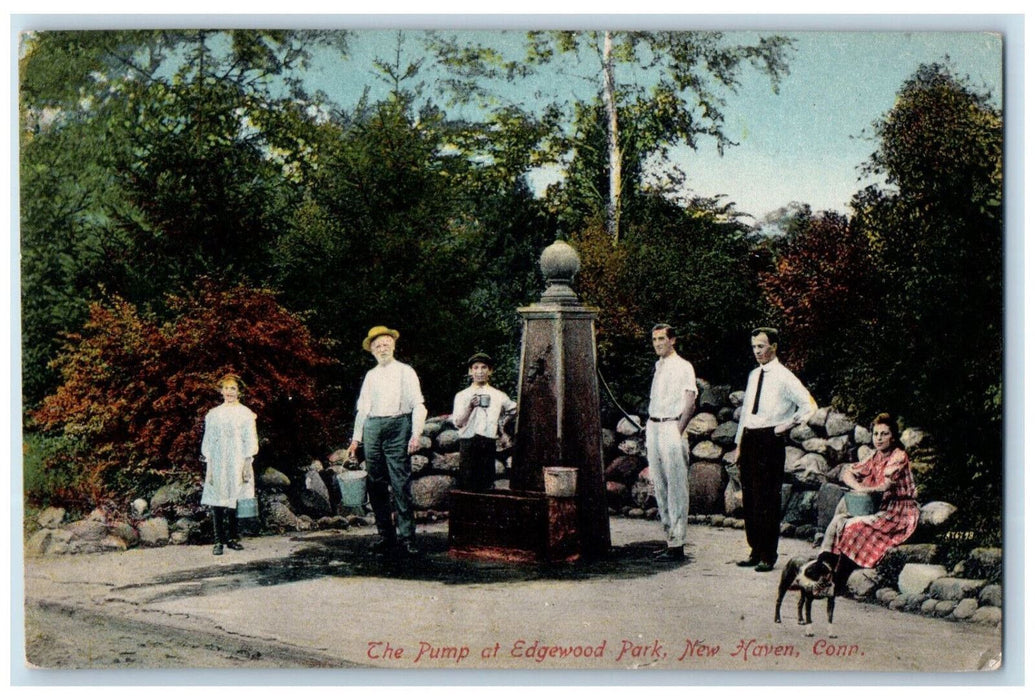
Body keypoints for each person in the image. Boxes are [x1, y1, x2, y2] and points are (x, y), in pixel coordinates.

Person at [729, 327, 816, 572]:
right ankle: (755, 549)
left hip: (770, 439)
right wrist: (739, 445)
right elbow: (746, 412)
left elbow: (808, 405)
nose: (757, 351)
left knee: (767, 498)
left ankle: (769, 553)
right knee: (750, 498)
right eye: (754, 346)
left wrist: (786, 425)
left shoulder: (784, 376)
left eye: (762, 346)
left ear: (774, 346)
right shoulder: (754, 375)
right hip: (750, 438)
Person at [346, 326, 428, 556]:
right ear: (372, 350)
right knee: (375, 483)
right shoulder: (371, 376)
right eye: (377, 346)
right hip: (373, 428)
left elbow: (419, 405)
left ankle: (407, 538)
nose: (382, 349)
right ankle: (386, 535)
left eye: (386, 344)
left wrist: (416, 434)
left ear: (393, 345)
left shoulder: (405, 371)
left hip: (397, 425)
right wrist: (355, 440)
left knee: (400, 482)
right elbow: (362, 410)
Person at [830, 412, 919, 591]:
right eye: (876, 434)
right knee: (839, 522)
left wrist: (864, 489)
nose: (879, 438)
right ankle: (827, 570)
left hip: (900, 512)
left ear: (893, 437)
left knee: (855, 527)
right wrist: (858, 487)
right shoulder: (875, 456)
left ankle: (838, 582)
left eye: (884, 434)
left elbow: (885, 486)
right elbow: (847, 472)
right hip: (884, 507)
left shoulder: (898, 456)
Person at [645, 324, 698, 561]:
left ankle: (678, 543)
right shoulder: (659, 366)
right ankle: (669, 539)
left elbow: (690, 403)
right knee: (660, 485)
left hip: (671, 427)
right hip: (654, 426)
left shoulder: (683, 366)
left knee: (676, 486)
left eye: (662, 339)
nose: (658, 344)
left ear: (672, 340)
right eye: (654, 340)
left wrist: (678, 431)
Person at [200, 373, 259, 556]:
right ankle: (218, 541)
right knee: (218, 498)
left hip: (237, 459)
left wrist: (247, 463)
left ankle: (232, 538)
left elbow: (250, 439)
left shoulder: (245, 414)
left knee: (235, 496)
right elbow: (208, 440)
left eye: (233, 388)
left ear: (239, 391)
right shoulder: (214, 414)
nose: (229, 392)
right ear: (221, 391)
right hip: (218, 460)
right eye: (226, 388)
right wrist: (209, 465)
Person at [450, 352, 517, 492]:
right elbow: (458, 423)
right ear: (470, 371)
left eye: (484, 367)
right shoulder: (462, 395)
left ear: (490, 371)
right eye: (475, 368)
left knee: (487, 485)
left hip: (488, 443)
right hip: (468, 443)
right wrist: (470, 407)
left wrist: (501, 426)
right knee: (467, 485)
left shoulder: (498, 395)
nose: (480, 372)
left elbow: (514, 409)